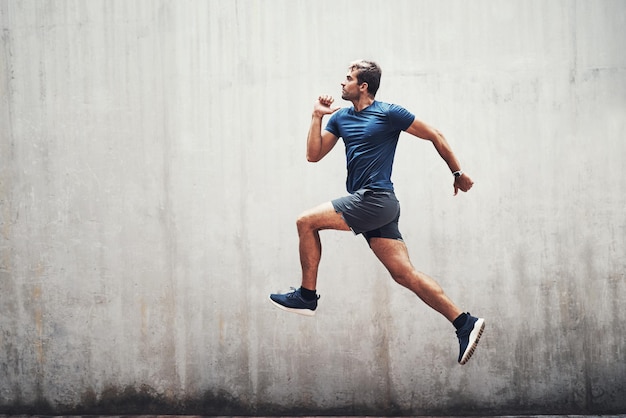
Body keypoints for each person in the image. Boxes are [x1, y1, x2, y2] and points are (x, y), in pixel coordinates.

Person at [269, 60, 484, 365]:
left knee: (305, 222)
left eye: (348, 79)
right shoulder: (341, 118)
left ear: (363, 86)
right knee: (404, 274)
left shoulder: (389, 113)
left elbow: (435, 134)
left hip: (376, 199)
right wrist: (316, 116)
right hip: (371, 204)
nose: (342, 84)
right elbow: (313, 155)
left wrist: (458, 173)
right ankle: (464, 322)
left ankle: (306, 295)